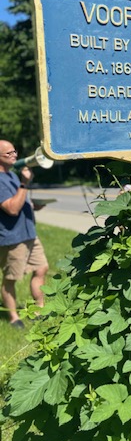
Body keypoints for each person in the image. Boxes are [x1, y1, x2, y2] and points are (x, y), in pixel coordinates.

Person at [0, 140, 49, 328]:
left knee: (41, 268)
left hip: (29, 233)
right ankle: (13, 318)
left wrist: (32, 205)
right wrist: (24, 183)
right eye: (8, 153)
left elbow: (18, 203)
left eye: (15, 151)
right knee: (11, 278)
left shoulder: (12, 175)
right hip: (14, 238)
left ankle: (39, 309)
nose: (14, 155)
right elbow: (11, 209)